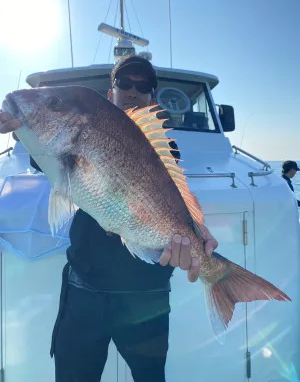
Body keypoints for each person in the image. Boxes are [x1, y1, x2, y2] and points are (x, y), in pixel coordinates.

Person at [0, 55, 218, 382]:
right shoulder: (75, 135)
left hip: (145, 297)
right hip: (84, 291)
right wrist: (22, 130)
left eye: (142, 85)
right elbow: (50, 156)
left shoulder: (162, 146)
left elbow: (170, 195)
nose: (133, 89)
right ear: (109, 91)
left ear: (152, 97)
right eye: (124, 83)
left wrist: (196, 232)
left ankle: (220, 277)